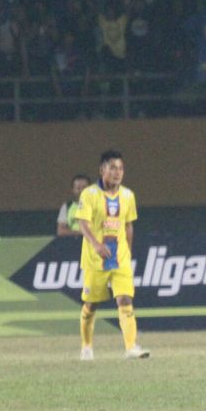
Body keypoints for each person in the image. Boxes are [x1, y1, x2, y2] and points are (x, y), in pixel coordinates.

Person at [76, 150, 149, 361]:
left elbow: (128, 226)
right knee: (91, 305)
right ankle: (87, 346)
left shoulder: (128, 195)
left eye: (121, 168)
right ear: (102, 170)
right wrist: (96, 245)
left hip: (120, 259)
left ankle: (131, 347)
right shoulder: (89, 194)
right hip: (95, 259)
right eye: (113, 168)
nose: (118, 172)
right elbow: (83, 223)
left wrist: (128, 252)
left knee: (125, 299)